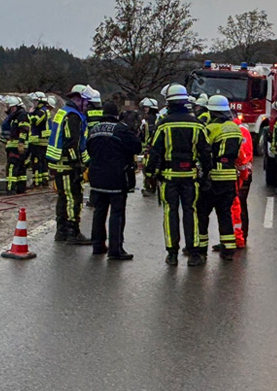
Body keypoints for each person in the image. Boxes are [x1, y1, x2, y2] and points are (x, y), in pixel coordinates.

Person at [146, 84, 210, 266]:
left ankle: (172, 253)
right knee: (191, 212)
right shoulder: (197, 124)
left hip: (168, 178)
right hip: (190, 177)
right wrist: (206, 175)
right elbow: (205, 153)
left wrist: (150, 174)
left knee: (170, 213)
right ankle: (194, 253)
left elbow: (154, 152)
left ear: (169, 103)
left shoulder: (162, 125)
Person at [86, 101, 142, 259]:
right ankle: (115, 249)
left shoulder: (94, 129)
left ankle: (98, 245)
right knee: (117, 212)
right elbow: (136, 147)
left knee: (99, 210)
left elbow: (87, 148)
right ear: (117, 114)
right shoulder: (121, 129)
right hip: (116, 176)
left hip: (96, 176)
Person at [47, 85, 93, 245]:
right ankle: (73, 232)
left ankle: (61, 231)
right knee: (74, 198)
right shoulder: (73, 117)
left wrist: (87, 161)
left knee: (63, 197)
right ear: (78, 99)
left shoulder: (63, 112)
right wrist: (77, 166)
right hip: (67, 165)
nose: (87, 105)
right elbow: (71, 144)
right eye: (86, 102)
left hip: (59, 163)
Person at [201, 95, 242, 260]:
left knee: (203, 213)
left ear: (212, 112)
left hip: (213, 176)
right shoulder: (235, 128)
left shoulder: (211, 129)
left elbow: (204, 151)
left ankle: (200, 250)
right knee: (224, 213)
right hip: (230, 176)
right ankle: (228, 249)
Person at [1, 96, 31, 196]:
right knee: (21, 168)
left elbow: (24, 129)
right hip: (17, 145)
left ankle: (10, 189)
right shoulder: (16, 116)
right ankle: (21, 188)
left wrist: (21, 142)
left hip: (17, 146)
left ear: (14, 107)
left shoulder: (21, 115)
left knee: (11, 167)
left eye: (9, 107)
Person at [236, 117, 254, 246]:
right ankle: (238, 235)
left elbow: (245, 154)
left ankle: (241, 235)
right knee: (237, 206)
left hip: (242, 174)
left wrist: (243, 172)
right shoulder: (242, 129)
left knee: (240, 204)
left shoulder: (240, 131)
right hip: (243, 172)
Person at [27, 92, 51, 188]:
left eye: (35, 100)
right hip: (42, 140)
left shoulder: (41, 111)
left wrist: (29, 113)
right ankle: (44, 181)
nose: (34, 102)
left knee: (36, 161)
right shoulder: (43, 110)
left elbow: (34, 121)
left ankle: (37, 182)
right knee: (43, 162)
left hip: (38, 141)